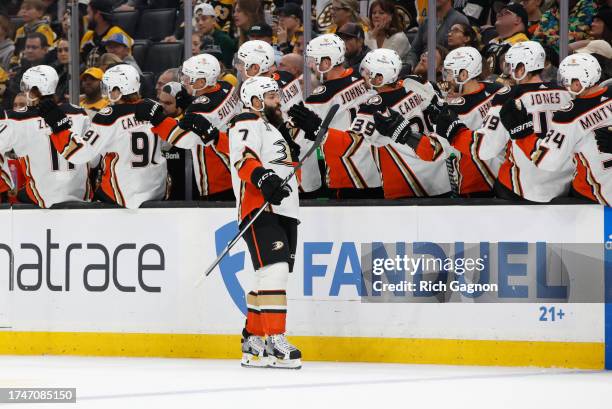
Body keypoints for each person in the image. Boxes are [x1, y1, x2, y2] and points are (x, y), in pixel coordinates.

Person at [436, 41, 574, 202]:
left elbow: (485, 149)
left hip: (523, 188)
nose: (507, 72)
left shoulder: (508, 97)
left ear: (522, 68)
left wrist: (455, 132)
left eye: (511, 67)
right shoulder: (567, 93)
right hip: (564, 184)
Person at [228, 76, 302, 369]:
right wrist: (263, 177)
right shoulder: (247, 120)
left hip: (285, 209)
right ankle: (275, 339)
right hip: (260, 207)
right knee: (275, 271)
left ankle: (253, 339)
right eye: (272, 96)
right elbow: (242, 157)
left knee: (266, 276)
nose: (278, 101)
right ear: (256, 101)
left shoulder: (273, 129)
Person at [39, 64, 168, 208]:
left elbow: (80, 155)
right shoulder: (153, 108)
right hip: (157, 192)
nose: (108, 93)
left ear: (118, 90)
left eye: (110, 88)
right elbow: (168, 142)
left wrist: (60, 127)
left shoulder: (109, 117)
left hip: (123, 195)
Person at [503, 53, 611, 204]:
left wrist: (522, 133)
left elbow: (548, 160)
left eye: (566, 80)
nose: (564, 85)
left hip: (596, 195)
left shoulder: (570, 115)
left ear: (578, 83)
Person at [289, 34, 381, 199]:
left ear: (326, 63)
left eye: (314, 61)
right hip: (375, 170)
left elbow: (300, 138)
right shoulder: (363, 79)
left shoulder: (321, 97)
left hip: (347, 174)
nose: (311, 67)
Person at [136, 53, 240, 200]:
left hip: (219, 179)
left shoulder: (201, 109)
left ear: (203, 82)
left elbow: (182, 139)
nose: (184, 81)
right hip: (235, 166)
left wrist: (157, 118)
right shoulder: (226, 87)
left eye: (189, 77)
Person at [351, 48, 452, 198]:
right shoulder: (416, 82)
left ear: (379, 78)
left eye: (367, 72)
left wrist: (321, 131)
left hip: (405, 182)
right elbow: (443, 112)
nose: (363, 75)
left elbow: (351, 143)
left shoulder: (374, 107)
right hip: (439, 178)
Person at [0, 65, 91, 208]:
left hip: (39, 201)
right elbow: (94, 158)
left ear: (33, 89)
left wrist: (5, 183)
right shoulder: (78, 113)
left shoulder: (16, 119)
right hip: (81, 199)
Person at [234, 40, 308, 193]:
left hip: (280, 170)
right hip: (301, 162)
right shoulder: (286, 77)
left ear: (254, 67)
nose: (238, 67)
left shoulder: (260, 91)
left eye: (242, 63)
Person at [432, 46, 502, 196]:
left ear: (463, 74)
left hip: (473, 184)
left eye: (449, 72)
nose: (446, 78)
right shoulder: (497, 90)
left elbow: (436, 151)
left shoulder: (454, 109)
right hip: (501, 179)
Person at [404, 0, 469, 71]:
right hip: (421, 69)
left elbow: (460, 54)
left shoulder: (459, 20)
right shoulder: (426, 21)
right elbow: (414, 50)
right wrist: (410, 66)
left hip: (443, 72)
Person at [80, 0, 133, 67]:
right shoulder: (87, 36)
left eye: (88, 13)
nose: (86, 17)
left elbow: (125, 65)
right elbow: (81, 63)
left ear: (98, 14)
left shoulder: (119, 35)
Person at [533, 0, 598, 54]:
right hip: (550, 63)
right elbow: (535, 43)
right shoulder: (548, 14)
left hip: (579, 61)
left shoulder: (588, 8)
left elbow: (571, 41)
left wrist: (546, 39)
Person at [483, 3, 529, 77]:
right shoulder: (492, 42)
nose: (498, 14)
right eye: (499, 13)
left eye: (506, 12)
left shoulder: (523, 45)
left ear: (517, 20)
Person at [10, 0, 56, 69]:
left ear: (40, 13)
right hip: (21, 66)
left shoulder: (44, 29)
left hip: (39, 66)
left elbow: (48, 52)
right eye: (23, 8)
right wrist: (14, 64)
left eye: (28, 9)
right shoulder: (20, 30)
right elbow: (15, 53)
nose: (24, 11)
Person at [195, 2, 236, 67]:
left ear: (214, 20)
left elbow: (229, 67)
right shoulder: (194, 40)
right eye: (197, 20)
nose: (200, 23)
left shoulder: (224, 40)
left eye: (204, 19)